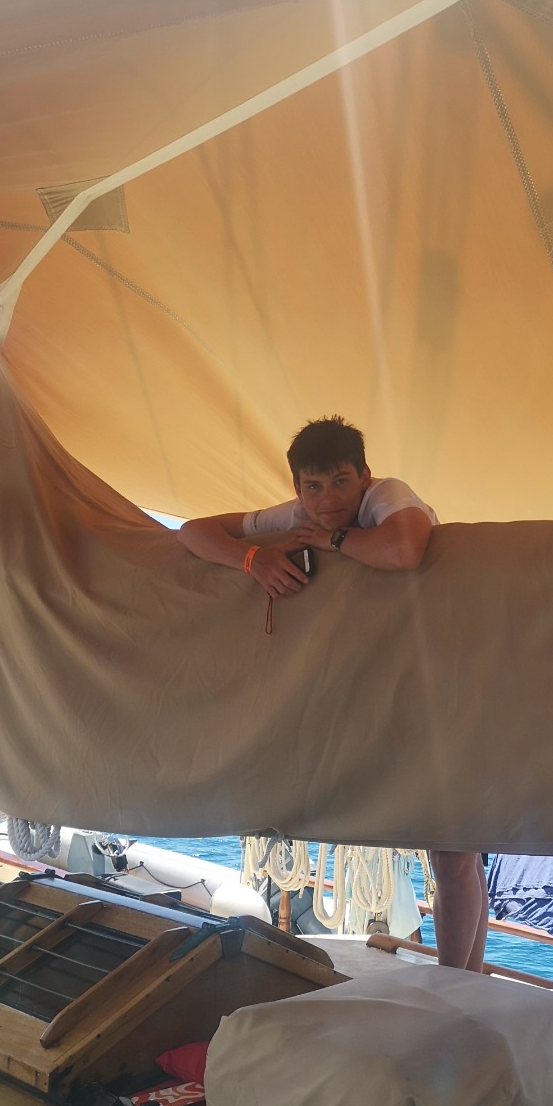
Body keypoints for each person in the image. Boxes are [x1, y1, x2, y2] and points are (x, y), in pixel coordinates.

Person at [178, 415, 489, 971]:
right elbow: (193, 531)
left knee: (453, 853)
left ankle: (457, 984)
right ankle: (461, 982)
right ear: (298, 488)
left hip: (447, 682)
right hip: (389, 691)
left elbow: (406, 549)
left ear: (364, 476)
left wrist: (333, 540)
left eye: (342, 482)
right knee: (451, 851)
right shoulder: (298, 513)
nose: (328, 500)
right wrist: (253, 558)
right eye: (314, 487)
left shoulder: (385, 497)